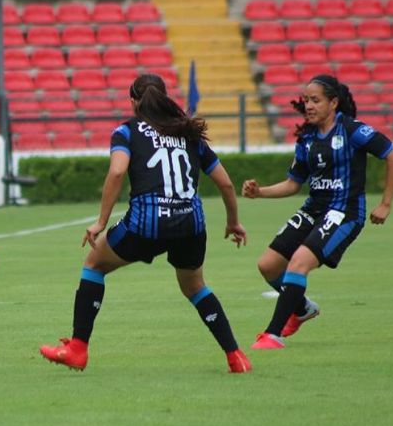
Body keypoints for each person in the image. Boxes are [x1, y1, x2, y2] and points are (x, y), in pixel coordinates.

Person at [39, 74, 252, 373]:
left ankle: (78, 348)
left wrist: (100, 222)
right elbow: (227, 184)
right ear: (165, 98)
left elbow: (116, 173)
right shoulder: (188, 133)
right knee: (195, 287)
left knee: (94, 265)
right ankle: (235, 356)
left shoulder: (127, 131)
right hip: (191, 225)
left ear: (133, 102)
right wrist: (233, 222)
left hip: (147, 223)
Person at [242, 75, 393, 349]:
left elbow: (392, 154)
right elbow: (293, 184)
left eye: (315, 100)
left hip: (344, 212)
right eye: (306, 100)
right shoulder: (306, 139)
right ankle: (302, 309)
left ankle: (273, 335)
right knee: (267, 265)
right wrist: (260, 192)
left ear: (333, 102)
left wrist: (386, 203)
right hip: (313, 209)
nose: (309, 106)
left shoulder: (351, 130)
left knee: (299, 263)